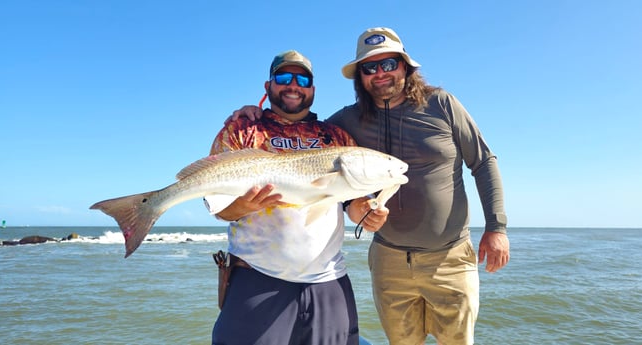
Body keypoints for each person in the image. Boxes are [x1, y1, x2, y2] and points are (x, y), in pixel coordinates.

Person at [232, 27, 510, 345]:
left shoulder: (442, 105)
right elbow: (301, 124)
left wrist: (496, 227)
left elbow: (484, 161)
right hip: (389, 261)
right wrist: (253, 114)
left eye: (388, 63)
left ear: (405, 66)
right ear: (360, 76)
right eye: (369, 67)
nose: (379, 73)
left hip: (449, 257)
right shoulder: (346, 122)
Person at [207, 50, 389, 345]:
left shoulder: (335, 137)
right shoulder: (243, 130)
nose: (293, 85)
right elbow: (219, 208)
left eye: (302, 78)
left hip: (328, 279)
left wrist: (368, 213)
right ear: (268, 86)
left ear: (312, 89)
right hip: (258, 278)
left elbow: (351, 203)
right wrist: (243, 206)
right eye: (283, 77)